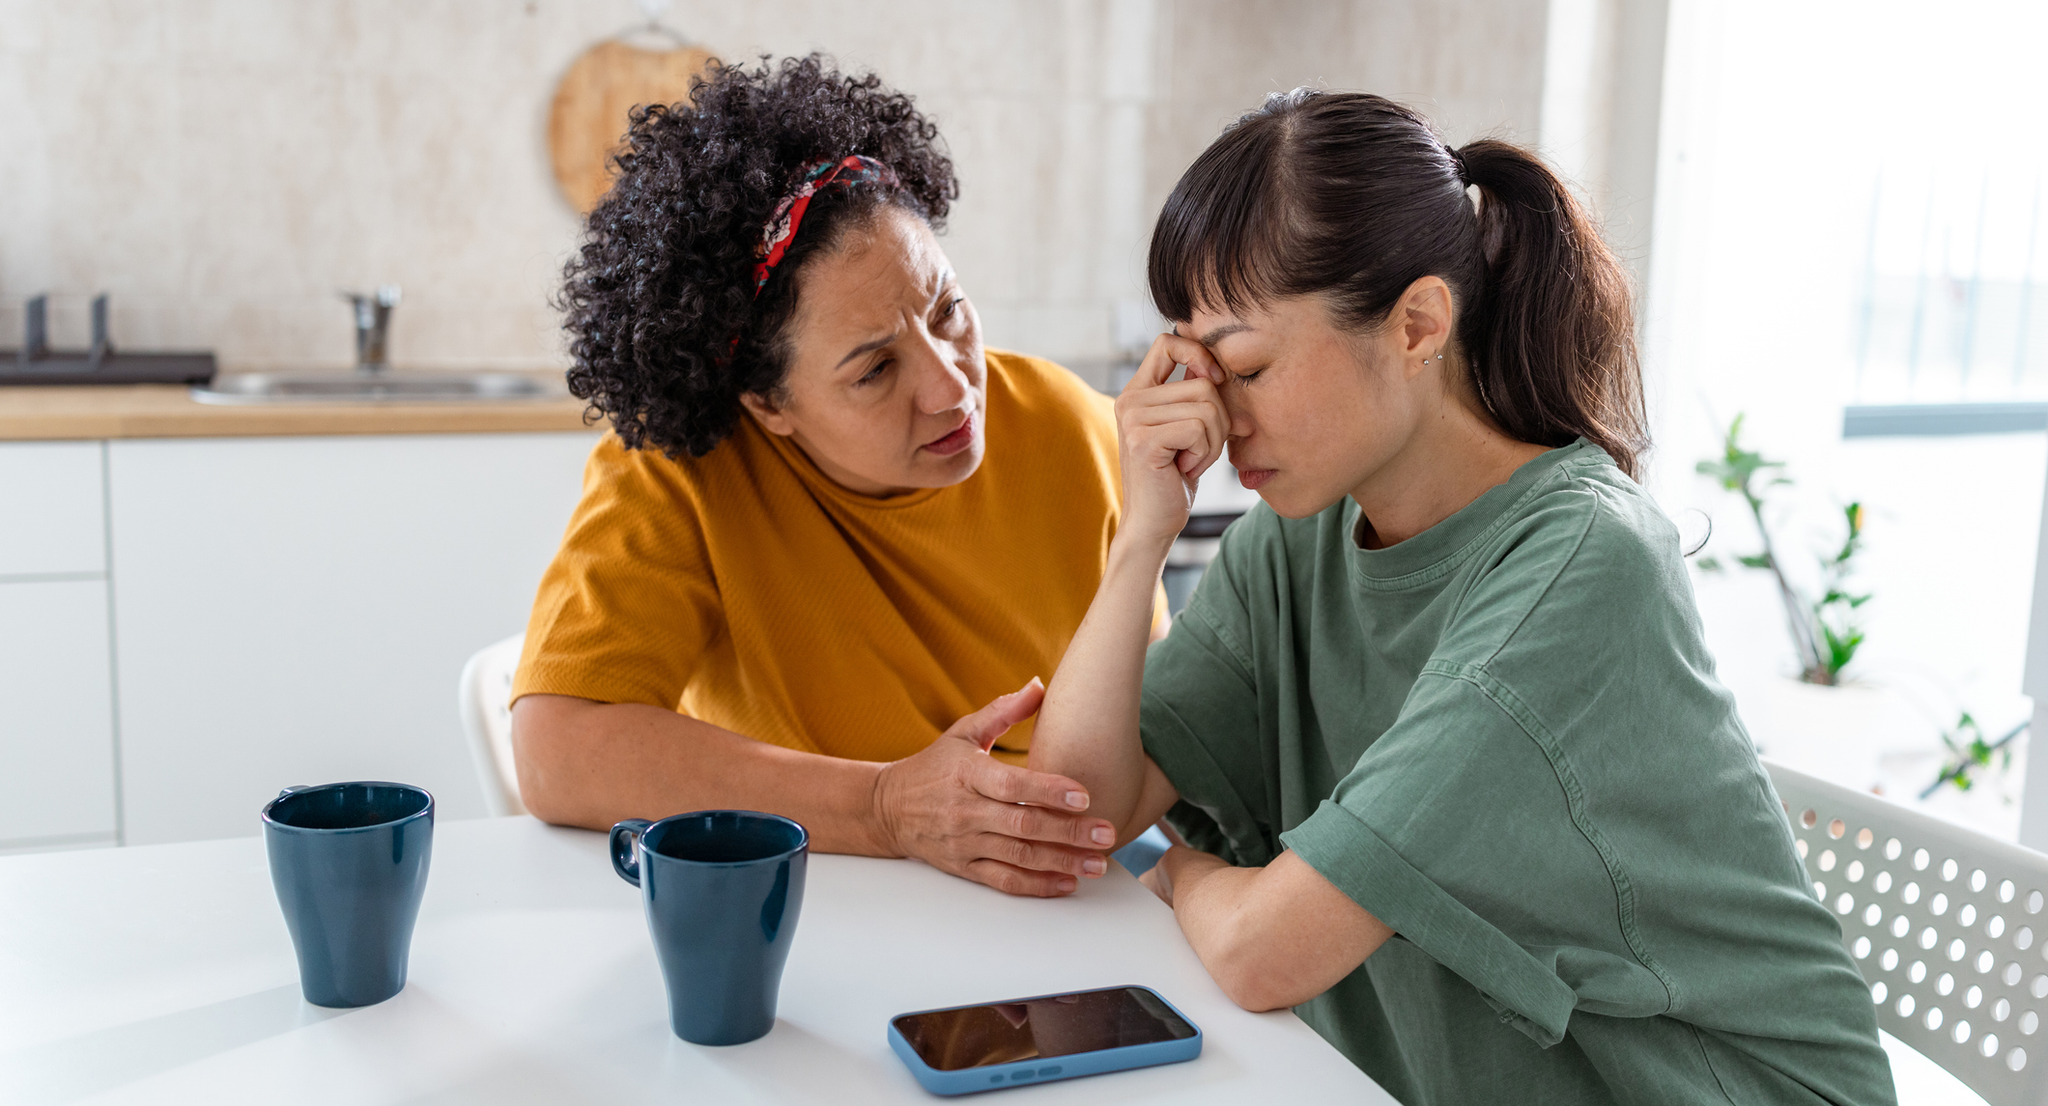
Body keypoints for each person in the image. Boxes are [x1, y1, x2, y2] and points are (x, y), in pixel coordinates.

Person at [1025, 89, 1895, 1104]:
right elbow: (1073, 815)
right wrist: (1143, 534)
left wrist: (1182, 872)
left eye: (1246, 364)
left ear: (1417, 324)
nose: (1210, 411)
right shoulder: (1297, 536)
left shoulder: (1579, 563)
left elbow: (1264, 952)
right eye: (1191, 363)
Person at [511, 55, 1163, 899]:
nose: (952, 386)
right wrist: (886, 807)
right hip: (818, 901)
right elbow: (557, 748)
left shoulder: (1076, 430)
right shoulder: (686, 474)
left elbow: (1150, 742)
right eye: (874, 370)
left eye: (948, 312)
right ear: (768, 405)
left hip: (1060, 896)